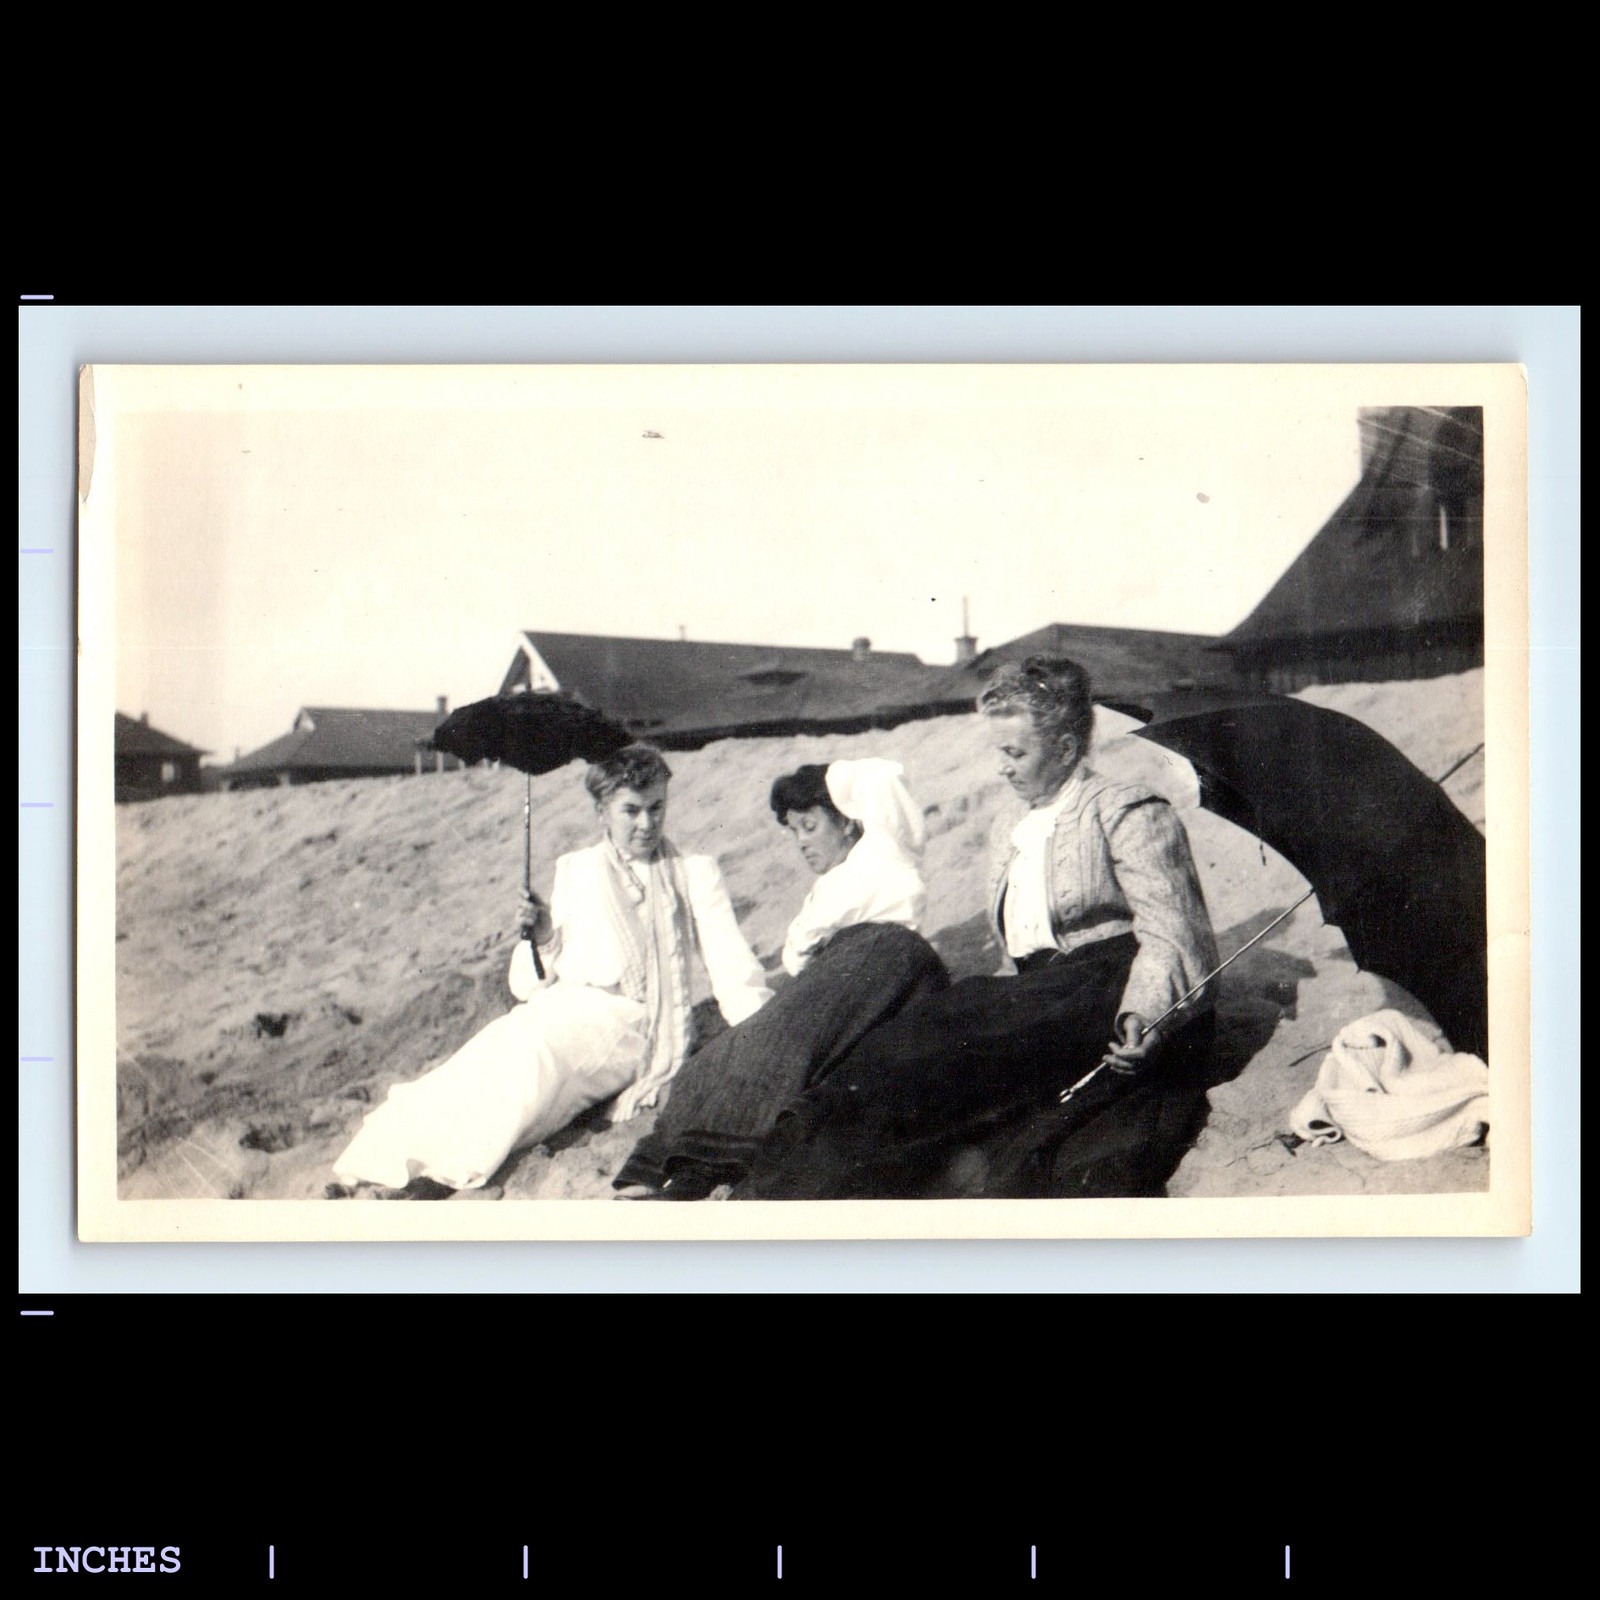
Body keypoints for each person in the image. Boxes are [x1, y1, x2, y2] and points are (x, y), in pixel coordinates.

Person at [734, 657, 1221, 1200]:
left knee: (931, 1051)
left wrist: (1144, 1014)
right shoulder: (1009, 825)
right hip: (1039, 993)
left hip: (1105, 988)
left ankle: (800, 1180)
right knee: (906, 1046)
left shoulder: (1125, 810)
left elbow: (1172, 930)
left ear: (1063, 748)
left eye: (1015, 752)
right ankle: (793, 1168)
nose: (1002, 768)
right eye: (998, 752)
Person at [330, 744, 771, 1196]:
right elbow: (528, 985)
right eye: (631, 811)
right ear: (602, 810)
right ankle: (370, 1165)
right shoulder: (577, 869)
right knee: (487, 1053)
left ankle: (438, 1177)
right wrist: (542, 936)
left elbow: (729, 961)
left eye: (657, 808)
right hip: (561, 1006)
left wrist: (767, 1032)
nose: (647, 824)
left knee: (533, 1063)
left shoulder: (694, 872)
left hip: (632, 1023)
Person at [613, 758, 948, 1198]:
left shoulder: (872, 865)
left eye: (809, 827)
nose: (801, 843)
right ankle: (688, 1166)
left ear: (849, 823)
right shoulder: (851, 876)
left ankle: (685, 1168)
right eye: (793, 831)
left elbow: (798, 949)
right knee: (744, 1056)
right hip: (851, 973)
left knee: (778, 1054)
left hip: (876, 965)